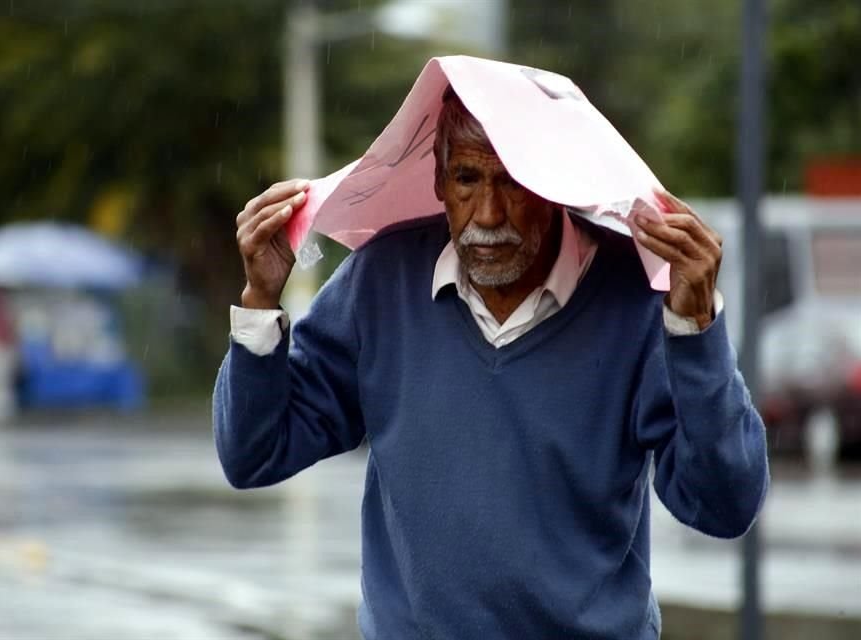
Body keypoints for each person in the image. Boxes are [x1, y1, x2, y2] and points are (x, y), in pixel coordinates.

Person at [214, 88, 769, 639]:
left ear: (556, 187)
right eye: (467, 179)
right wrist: (260, 300)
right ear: (439, 181)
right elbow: (253, 453)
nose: (488, 213)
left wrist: (695, 330)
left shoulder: (636, 300)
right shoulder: (380, 279)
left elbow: (724, 505)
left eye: (513, 183)